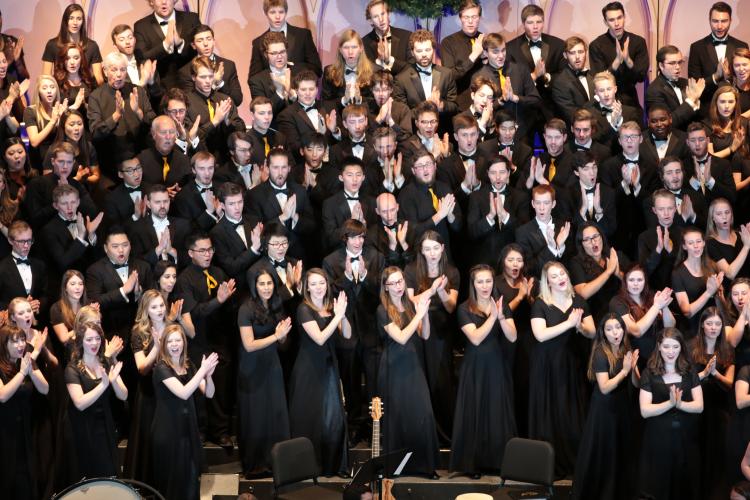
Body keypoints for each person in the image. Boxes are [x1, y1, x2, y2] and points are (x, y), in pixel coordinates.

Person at [529, 261, 595, 476]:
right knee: (551, 412)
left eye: (562, 273)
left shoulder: (579, 301)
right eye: (554, 276)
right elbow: (540, 335)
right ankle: (550, 466)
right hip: (548, 365)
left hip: (572, 363)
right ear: (547, 281)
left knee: (572, 412)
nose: (560, 278)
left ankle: (575, 463)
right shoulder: (541, 304)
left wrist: (580, 326)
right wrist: (569, 324)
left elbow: (592, 332)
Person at [450, 264, 516, 478]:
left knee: (497, 412)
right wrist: (492, 317)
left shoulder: (502, 306)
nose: (485, 285)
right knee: (475, 412)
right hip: (475, 366)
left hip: (496, 363)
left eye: (488, 281)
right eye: (480, 281)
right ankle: (474, 464)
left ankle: (499, 462)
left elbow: (513, 337)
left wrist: (502, 316)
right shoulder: (464, 309)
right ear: (473, 284)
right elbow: (476, 338)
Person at [287, 268, 350, 476]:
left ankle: (333, 466)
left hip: (330, 367)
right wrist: (337, 316)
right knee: (312, 419)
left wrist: (342, 315)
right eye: (313, 284)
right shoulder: (304, 309)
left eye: (321, 283)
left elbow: (347, 334)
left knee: (334, 420)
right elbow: (320, 338)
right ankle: (310, 467)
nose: (318, 287)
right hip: (309, 370)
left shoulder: (332, 307)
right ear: (306, 287)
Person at [377, 265, 438, 477]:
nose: (398, 286)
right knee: (399, 416)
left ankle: (425, 466)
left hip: (412, 363)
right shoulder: (382, 310)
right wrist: (418, 314)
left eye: (400, 281)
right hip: (394, 366)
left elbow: (425, 335)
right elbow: (401, 337)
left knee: (422, 413)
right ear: (385, 287)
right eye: (392, 283)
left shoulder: (410, 305)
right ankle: (398, 468)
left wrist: (424, 314)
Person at [572, 314, 637, 500]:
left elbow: (636, 384)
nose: (615, 332)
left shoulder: (625, 348)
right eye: (609, 329)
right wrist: (624, 371)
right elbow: (605, 387)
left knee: (619, 451)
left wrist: (633, 369)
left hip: (622, 406)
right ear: (603, 332)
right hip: (604, 409)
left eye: (618, 327)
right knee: (604, 452)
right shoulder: (601, 352)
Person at [151, 324, 218, 500]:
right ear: (164, 344)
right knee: (173, 483)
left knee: (190, 480)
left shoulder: (189, 365)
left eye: (178, 340)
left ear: (184, 342)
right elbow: (184, 392)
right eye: (170, 341)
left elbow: (209, 393)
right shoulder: (161, 368)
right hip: (168, 432)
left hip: (187, 430)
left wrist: (208, 376)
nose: (174, 344)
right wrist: (202, 370)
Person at [404, 230, 459, 443]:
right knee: (420, 380)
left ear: (442, 248)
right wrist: (432, 290)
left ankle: (444, 434)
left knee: (440, 381)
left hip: (441, 331)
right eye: (427, 249)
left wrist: (442, 291)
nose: (432, 253)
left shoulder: (451, 272)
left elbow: (451, 307)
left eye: (435, 248)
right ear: (421, 251)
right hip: (417, 328)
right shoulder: (411, 270)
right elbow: (409, 302)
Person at [237, 269, 291, 478]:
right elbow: (248, 345)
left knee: (275, 413)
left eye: (270, 283)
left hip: (272, 364)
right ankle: (256, 465)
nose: (267, 287)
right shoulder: (246, 309)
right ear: (254, 286)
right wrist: (276, 336)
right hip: (252, 367)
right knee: (256, 416)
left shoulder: (277, 306)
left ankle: (275, 463)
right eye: (262, 284)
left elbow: (282, 342)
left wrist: (282, 336)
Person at [638, 328, 704, 500]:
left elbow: (699, 406)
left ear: (681, 347)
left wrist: (680, 404)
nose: (671, 351)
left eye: (675, 347)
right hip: (659, 439)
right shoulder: (649, 373)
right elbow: (645, 411)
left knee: (685, 484)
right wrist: (669, 404)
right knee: (660, 484)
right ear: (659, 347)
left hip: (686, 439)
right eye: (666, 347)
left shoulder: (690, 371)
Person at [58, 321, 127, 484]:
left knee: (108, 472)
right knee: (87, 475)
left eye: (97, 338)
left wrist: (114, 381)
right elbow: (80, 403)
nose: (94, 343)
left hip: (104, 424)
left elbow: (124, 395)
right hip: (81, 427)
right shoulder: (72, 368)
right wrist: (104, 385)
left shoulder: (107, 361)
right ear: (81, 341)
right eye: (89, 339)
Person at [123, 290, 170, 484]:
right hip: (149, 393)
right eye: (154, 307)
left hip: (169, 391)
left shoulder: (172, 327)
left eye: (161, 305)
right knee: (148, 440)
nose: (159, 310)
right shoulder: (138, 332)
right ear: (146, 310)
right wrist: (157, 348)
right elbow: (141, 368)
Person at [88, 51, 157, 180]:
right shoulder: (96, 96)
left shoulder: (138, 91)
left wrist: (138, 112)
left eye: (123, 69)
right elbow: (95, 133)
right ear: (105, 70)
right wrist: (116, 115)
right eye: (114, 70)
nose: (119, 74)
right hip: (111, 165)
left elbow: (154, 124)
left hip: (140, 159)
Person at [0, 324, 49, 500]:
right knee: (8, 477)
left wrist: (31, 370)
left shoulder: (27, 361)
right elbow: (3, 395)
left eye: (22, 340)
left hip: (26, 428)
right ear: (4, 344)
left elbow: (45, 389)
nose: (21, 345)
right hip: (5, 431)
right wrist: (22, 373)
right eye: (15, 341)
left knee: (26, 477)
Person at [691, 307, 735, 500]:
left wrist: (715, 373)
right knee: (696, 456)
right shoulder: (691, 347)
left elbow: (730, 384)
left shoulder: (726, 349)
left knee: (717, 457)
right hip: (696, 411)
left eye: (718, 324)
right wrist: (703, 374)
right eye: (709, 323)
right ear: (702, 324)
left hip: (719, 411)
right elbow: (686, 380)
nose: (714, 328)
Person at [609, 264, 676, 372]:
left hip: (658, 357)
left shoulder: (651, 297)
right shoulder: (617, 301)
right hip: (636, 360)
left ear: (645, 282)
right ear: (625, 282)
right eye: (631, 280)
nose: (636, 284)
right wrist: (657, 306)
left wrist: (665, 306)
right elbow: (636, 331)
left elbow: (670, 326)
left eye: (640, 280)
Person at [688, 1, 749, 116]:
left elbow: (745, 82)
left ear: (730, 20)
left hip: (735, 110)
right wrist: (715, 76)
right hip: (707, 112)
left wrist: (729, 77)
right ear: (709, 20)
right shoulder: (697, 47)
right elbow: (694, 86)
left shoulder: (741, 46)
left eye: (724, 21)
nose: (719, 26)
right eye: (715, 21)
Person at [588, 2, 648, 112]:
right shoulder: (596, 45)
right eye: (611, 20)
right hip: (605, 103)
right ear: (605, 22)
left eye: (619, 18)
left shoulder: (638, 42)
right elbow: (598, 79)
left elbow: (641, 77)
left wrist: (627, 60)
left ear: (624, 17)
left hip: (631, 101)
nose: (617, 23)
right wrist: (617, 61)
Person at [133, 0, 201, 91]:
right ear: (151, 2)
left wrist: (180, 43)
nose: (164, 2)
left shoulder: (192, 18)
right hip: (161, 89)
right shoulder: (141, 26)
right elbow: (142, 57)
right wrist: (165, 45)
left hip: (193, 86)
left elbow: (200, 51)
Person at [570, 222, 628, 324]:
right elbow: (583, 293)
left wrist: (618, 273)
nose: (593, 242)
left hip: (622, 310)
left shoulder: (615, 255)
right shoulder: (576, 262)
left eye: (595, 236)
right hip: (597, 315)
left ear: (601, 237)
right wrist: (608, 271)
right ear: (581, 244)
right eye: (587, 239)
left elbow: (635, 284)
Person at [392, 29, 458, 117]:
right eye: (419, 51)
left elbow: (454, 107)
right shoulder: (401, 79)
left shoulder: (446, 74)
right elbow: (402, 114)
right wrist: (425, 108)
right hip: (415, 129)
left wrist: (442, 105)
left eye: (427, 50)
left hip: (442, 128)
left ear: (433, 50)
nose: (424, 54)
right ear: (412, 52)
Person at [247, 0, 322, 78]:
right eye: (272, 12)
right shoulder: (258, 42)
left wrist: (291, 68)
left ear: (286, 12)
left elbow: (317, 69)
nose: (277, 17)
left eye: (281, 12)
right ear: (266, 14)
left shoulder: (303, 35)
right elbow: (253, 78)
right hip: (272, 89)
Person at [672, 226, 724, 337]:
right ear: (684, 246)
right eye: (690, 243)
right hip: (692, 331)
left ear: (704, 243)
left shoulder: (712, 266)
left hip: (713, 328)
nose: (696, 246)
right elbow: (687, 312)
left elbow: (721, 304)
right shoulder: (678, 273)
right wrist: (708, 293)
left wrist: (718, 292)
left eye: (698, 241)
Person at [177, 24, 242, 107]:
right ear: (193, 45)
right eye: (200, 41)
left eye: (209, 39)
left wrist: (220, 83)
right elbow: (191, 104)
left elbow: (237, 100)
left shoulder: (229, 65)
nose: (205, 44)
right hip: (203, 118)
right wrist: (214, 84)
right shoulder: (185, 72)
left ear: (214, 41)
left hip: (228, 116)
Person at [41, 4, 103, 85]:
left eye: (79, 19)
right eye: (71, 18)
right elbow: (46, 77)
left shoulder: (92, 46)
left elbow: (98, 77)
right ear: (65, 20)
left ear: (83, 22)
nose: (75, 22)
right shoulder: (52, 45)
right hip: (60, 92)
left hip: (85, 91)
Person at [439, 0, 486, 108]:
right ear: (460, 18)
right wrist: (473, 56)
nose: (470, 21)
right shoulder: (448, 42)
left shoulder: (486, 40)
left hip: (484, 103)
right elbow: (450, 76)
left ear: (479, 18)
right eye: (466, 17)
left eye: (474, 17)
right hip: (460, 105)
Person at [645, 45, 704, 130]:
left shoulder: (686, 83)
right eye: (672, 63)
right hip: (672, 140)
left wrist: (696, 102)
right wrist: (691, 101)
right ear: (661, 66)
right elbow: (666, 123)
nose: (677, 67)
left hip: (691, 137)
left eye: (679, 62)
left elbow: (697, 117)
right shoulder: (654, 90)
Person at [322, 30, 374, 112]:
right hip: (340, 120)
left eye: (354, 47)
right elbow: (325, 104)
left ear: (361, 48)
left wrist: (360, 100)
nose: (350, 52)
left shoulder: (374, 71)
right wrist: (343, 100)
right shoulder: (329, 72)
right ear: (340, 50)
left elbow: (376, 103)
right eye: (346, 47)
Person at [23, 75, 66, 170]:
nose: (49, 91)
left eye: (52, 87)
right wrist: (53, 121)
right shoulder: (30, 111)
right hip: (39, 165)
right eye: (45, 88)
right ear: (38, 91)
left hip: (59, 162)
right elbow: (34, 141)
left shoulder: (59, 110)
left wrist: (63, 118)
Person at [551, 36, 595, 125]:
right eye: (572, 53)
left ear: (586, 53)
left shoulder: (592, 76)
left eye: (581, 52)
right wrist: (598, 100)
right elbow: (573, 115)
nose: (577, 57)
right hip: (575, 133)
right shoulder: (560, 83)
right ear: (565, 55)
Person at [362, 0, 413, 74]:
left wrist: (388, 60)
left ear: (388, 14)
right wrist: (379, 62)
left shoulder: (406, 36)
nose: (381, 19)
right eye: (376, 16)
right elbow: (366, 73)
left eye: (383, 14)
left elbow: (412, 69)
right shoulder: (364, 42)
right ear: (370, 21)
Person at [49, 270, 88, 360]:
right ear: (65, 287)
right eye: (73, 284)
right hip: (69, 355)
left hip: (89, 347)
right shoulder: (57, 308)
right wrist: (87, 322)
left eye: (80, 284)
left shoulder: (88, 304)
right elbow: (64, 338)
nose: (77, 287)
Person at [706, 84, 748, 160]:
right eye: (722, 102)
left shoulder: (744, 122)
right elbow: (709, 159)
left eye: (731, 102)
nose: (727, 106)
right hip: (719, 169)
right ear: (716, 103)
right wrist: (731, 149)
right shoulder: (707, 125)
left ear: (736, 104)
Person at [52, 43, 94, 113]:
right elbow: (52, 113)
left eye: (76, 58)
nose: (72, 62)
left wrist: (85, 105)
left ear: (81, 59)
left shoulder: (89, 80)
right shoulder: (56, 82)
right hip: (65, 122)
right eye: (67, 58)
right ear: (63, 61)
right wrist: (75, 105)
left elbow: (95, 110)